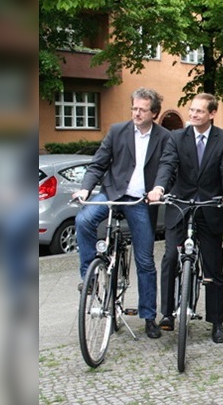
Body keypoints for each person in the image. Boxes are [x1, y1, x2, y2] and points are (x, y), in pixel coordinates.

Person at [73, 87, 171, 339]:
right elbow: (98, 164)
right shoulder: (117, 131)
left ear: (154, 113)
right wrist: (85, 190)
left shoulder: (165, 137)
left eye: (142, 109)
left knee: (145, 261)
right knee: (83, 219)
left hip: (140, 200)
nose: (136, 113)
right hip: (112, 193)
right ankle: (90, 276)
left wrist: (158, 189)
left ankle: (148, 316)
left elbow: (166, 169)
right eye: (134, 108)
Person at [147, 93, 223, 344]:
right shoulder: (177, 137)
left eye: (199, 111)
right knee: (170, 258)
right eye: (191, 110)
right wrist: (159, 188)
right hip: (181, 205)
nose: (193, 115)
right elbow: (167, 165)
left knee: (213, 266)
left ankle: (217, 321)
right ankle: (167, 314)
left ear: (211, 114)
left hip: (210, 207)